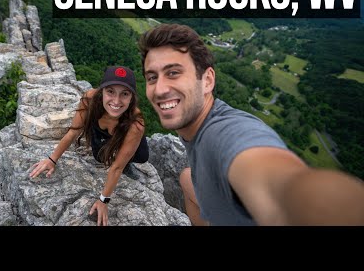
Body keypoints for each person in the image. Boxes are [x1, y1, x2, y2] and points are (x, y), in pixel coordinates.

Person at [138, 23, 364, 226]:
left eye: (174, 73)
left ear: (207, 80)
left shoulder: (225, 133)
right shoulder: (198, 126)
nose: (159, 89)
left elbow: (281, 184)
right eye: (152, 77)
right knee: (187, 178)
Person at [29, 65, 149, 226]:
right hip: (101, 131)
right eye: (110, 91)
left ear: (132, 98)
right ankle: (107, 141)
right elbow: (73, 133)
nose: (116, 101)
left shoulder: (136, 123)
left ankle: (123, 147)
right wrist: (52, 159)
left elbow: (117, 168)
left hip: (125, 130)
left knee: (141, 157)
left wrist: (103, 201)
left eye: (124, 94)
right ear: (102, 91)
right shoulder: (90, 100)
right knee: (99, 156)